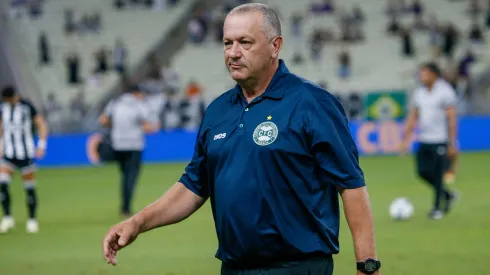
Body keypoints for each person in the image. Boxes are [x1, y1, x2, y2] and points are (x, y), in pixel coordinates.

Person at [102, 4, 381, 275]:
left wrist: (367, 266)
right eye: (227, 43)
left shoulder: (312, 103)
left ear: (275, 46)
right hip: (234, 268)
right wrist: (137, 223)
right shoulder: (218, 111)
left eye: (245, 42)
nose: (233, 53)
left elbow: (351, 186)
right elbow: (194, 186)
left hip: (297, 266)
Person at [400, 62, 459, 220]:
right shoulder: (419, 93)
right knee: (422, 171)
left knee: (439, 174)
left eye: (424, 73)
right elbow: (413, 116)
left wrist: (452, 143)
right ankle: (447, 194)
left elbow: (452, 118)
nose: (421, 77)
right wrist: (406, 140)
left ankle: (437, 208)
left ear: (433, 74)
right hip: (424, 138)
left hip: (440, 139)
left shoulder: (445, 91)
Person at [99, 85, 159, 217]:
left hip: (118, 144)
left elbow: (103, 120)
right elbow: (148, 126)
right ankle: (126, 208)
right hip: (134, 145)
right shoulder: (139, 105)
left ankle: (124, 205)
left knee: (124, 175)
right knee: (131, 176)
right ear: (137, 93)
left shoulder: (115, 103)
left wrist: (116, 127)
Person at [0, 86, 48, 234]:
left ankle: (32, 219)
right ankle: (8, 217)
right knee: (2, 182)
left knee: (29, 187)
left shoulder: (27, 107)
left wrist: (41, 144)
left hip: (26, 153)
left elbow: (41, 124)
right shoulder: (3, 108)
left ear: (16, 96)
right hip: (9, 153)